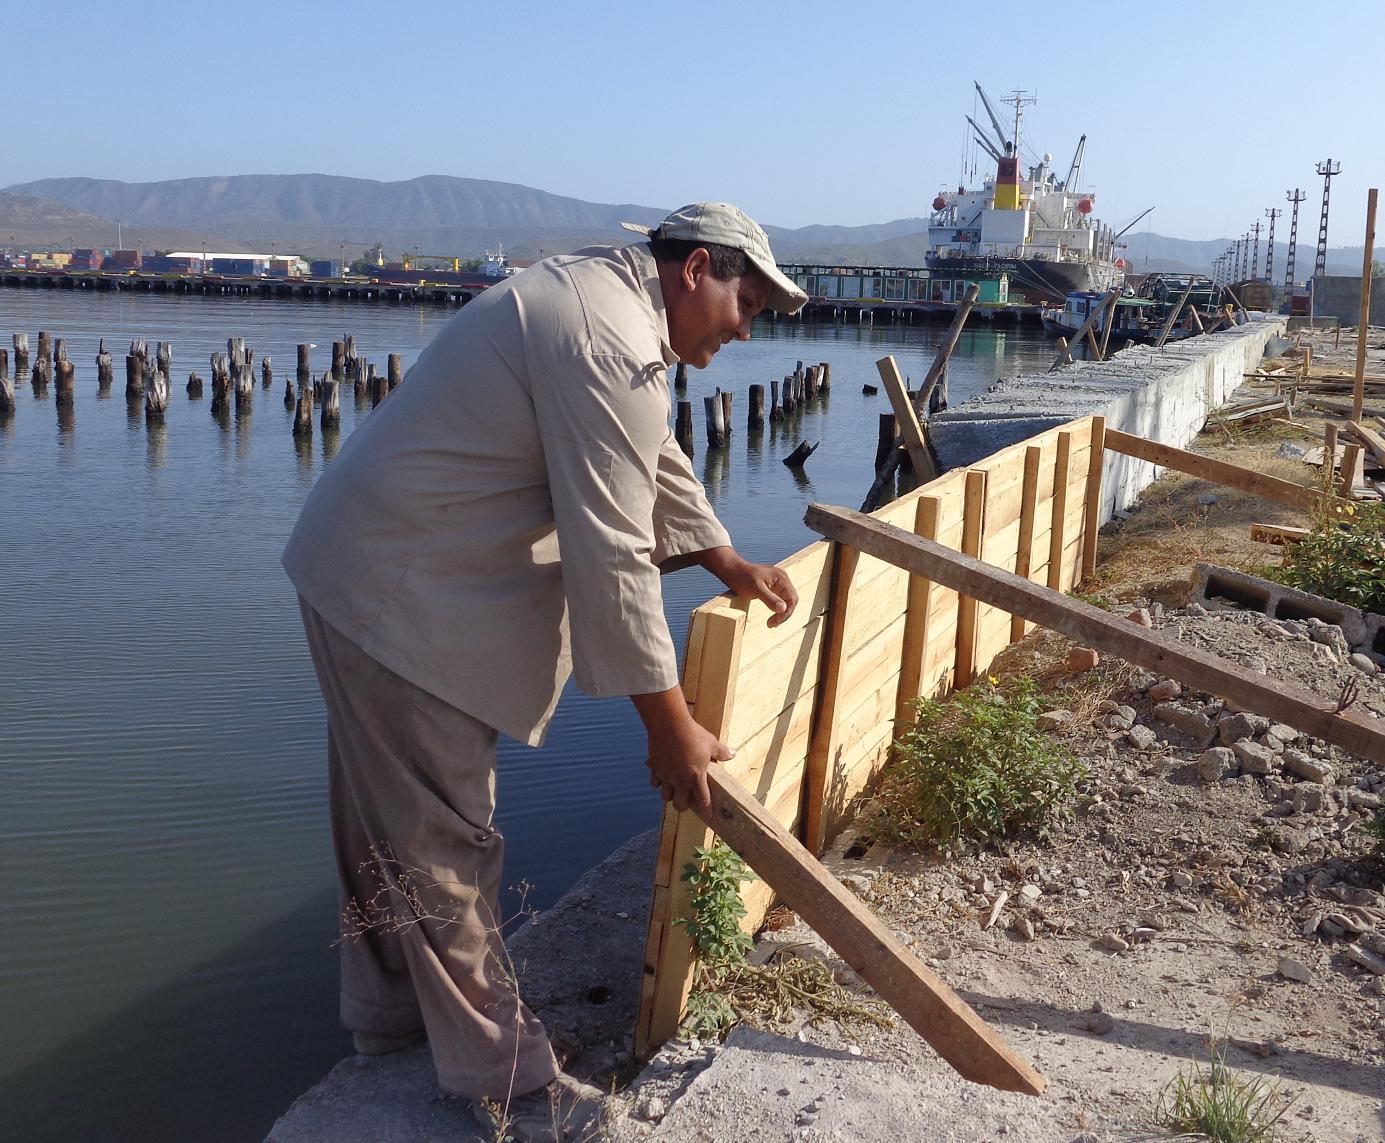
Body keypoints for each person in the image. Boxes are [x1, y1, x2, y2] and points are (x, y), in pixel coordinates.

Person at [282, 202, 806, 1139]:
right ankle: (512, 1087)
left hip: (364, 567)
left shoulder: (610, 306)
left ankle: (389, 1021)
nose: (744, 329)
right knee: (447, 841)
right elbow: (612, 553)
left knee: (385, 820)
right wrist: (668, 724)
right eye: (746, 304)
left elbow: (647, 449)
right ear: (695, 270)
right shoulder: (606, 335)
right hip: (401, 590)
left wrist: (719, 554)